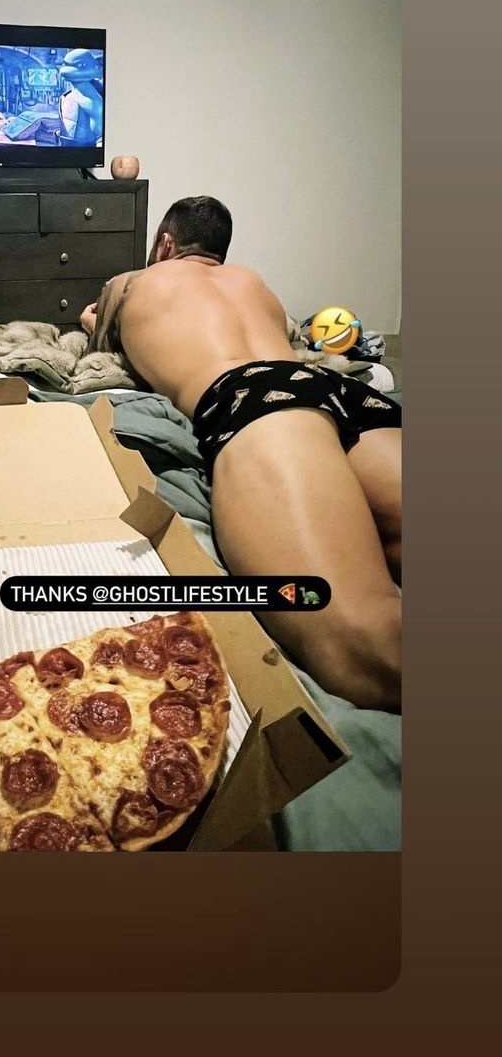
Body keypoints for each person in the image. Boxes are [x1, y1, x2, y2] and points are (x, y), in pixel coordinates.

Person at [80, 195, 401, 712]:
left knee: (369, 651)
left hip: (254, 396)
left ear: (165, 245)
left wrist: (89, 319)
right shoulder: (254, 284)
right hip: (342, 391)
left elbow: (99, 345)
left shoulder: (131, 282)